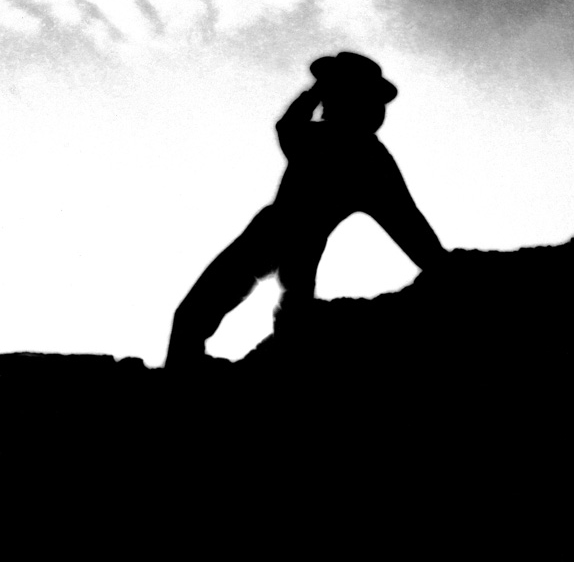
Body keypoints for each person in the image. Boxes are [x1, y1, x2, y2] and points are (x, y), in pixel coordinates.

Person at [165, 52, 446, 370]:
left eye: (332, 91)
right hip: (284, 242)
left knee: (202, 318)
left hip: (281, 240)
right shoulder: (356, 151)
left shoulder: (345, 149)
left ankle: (181, 382)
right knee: (255, 324)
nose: (325, 100)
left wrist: (315, 90)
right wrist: (442, 264)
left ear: (345, 97)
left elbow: (408, 225)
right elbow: (410, 225)